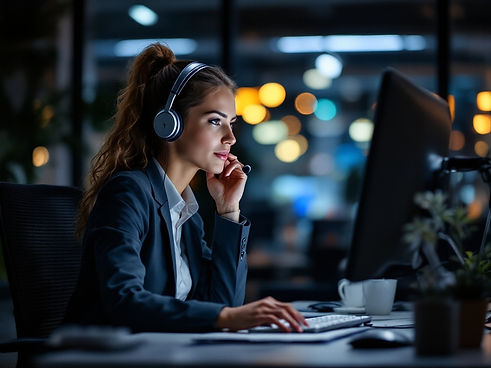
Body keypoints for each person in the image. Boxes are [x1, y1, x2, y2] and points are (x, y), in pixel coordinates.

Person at [64, 43, 307, 333]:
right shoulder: (128, 194)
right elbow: (124, 301)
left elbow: (222, 301)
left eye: (231, 123)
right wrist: (225, 317)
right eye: (215, 121)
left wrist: (228, 211)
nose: (230, 137)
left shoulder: (183, 211)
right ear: (170, 123)